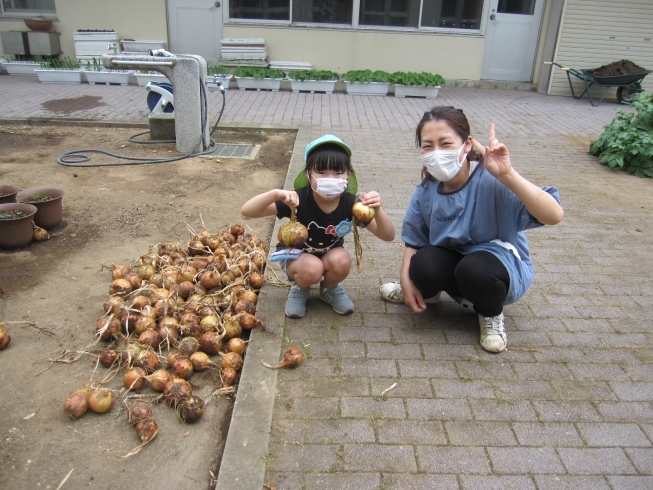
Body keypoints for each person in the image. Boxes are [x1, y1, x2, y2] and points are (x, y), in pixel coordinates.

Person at [380, 107, 563, 353]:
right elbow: (414, 241)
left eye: (445, 143)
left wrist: (508, 174)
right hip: (456, 264)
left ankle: (491, 314)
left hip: (496, 267)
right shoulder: (426, 191)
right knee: (423, 263)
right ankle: (428, 294)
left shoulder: (492, 179)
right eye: (428, 146)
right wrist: (408, 280)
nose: (436, 153)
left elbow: (554, 215)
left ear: (467, 145)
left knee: (474, 270)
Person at [242, 134, 395, 318]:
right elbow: (248, 212)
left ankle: (329, 289)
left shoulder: (351, 204)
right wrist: (275, 194)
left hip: (329, 255)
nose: (330, 178)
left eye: (338, 172)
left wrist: (377, 209)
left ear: (348, 175)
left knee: (342, 260)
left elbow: (388, 236)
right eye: (321, 172)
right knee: (312, 268)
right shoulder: (298, 199)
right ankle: (300, 288)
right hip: (299, 258)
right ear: (308, 173)